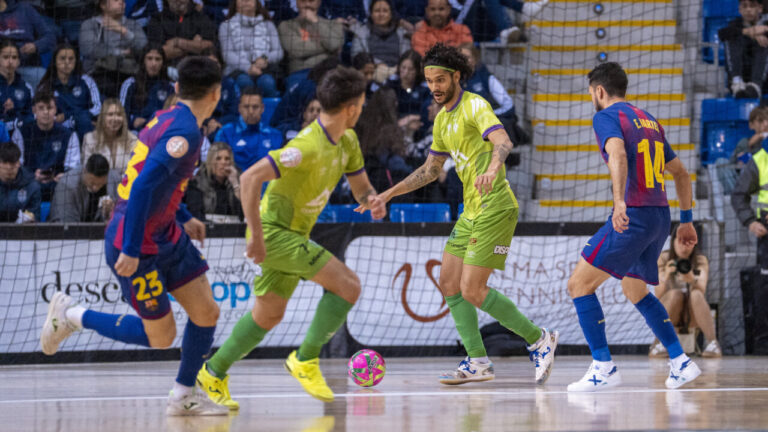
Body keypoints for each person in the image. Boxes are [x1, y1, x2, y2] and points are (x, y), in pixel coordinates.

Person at [360, 43, 559, 385]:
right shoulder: (442, 120)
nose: (435, 87)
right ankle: (477, 361)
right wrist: (387, 195)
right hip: (471, 211)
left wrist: (494, 166)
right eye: (429, 81)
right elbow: (427, 171)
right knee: (449, 283)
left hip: (496, 207)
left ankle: (539, 339)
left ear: (456, 76)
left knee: (472, 289)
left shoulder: (475, 105)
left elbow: (503, 141)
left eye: (440, 79)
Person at [40, 56, 228, 416]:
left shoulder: (167, 117)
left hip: (166, 232)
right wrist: (131, 249)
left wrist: (184, 215)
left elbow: (158, 181)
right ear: (217, 94)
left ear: (176, 88)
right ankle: (73, 316)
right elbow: (141, 187)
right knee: (161, 337)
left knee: (206, 311)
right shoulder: (187, 132)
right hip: (135, 238)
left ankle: (183, 394)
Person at [197, 66, 386, 408]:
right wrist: (255, 235)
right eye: (361, 102)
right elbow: (252, 178)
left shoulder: (348, 141)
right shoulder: (305, 146)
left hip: (294, 232)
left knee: (268, 314)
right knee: (349, 285)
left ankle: (212, 372)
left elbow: (361, 188)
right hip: (273, 233)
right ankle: (306, 358)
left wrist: (371, 199)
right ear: (352, 108)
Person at [565, 62, 701, 392]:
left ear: (598, 91)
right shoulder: (648, 120)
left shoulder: (605, 116)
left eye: (590, 93)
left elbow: (618, 155)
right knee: (634, 290)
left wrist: (619, 202)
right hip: (660, 217)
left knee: (578, 286)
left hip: (636, 214)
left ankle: (603, 366)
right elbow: (682, 174)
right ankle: (681, 362)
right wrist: (687, 220)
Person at [649, 225, 721, 358]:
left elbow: (702, 289)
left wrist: (691, 279)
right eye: (681, 241)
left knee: (696, 294)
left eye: (689, 243)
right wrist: (666, 275)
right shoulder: (664, 258)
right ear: (673, 241)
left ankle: (712, 343)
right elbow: (658, 294)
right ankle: (659, 343)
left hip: (691, 314)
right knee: (676, 294)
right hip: (669, 311)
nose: (684, 247)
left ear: (694, 244)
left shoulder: (700, 260)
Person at [731, 129, 768, 343]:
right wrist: (750, 221)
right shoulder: (759, 160)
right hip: (766, 233)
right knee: (765, 288)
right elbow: (738, 196)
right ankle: (763, 342)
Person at [13, 92, 81, 201]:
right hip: (29, 183)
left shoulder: (68, 135)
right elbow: (16, 165)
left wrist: (63, 177)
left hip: (58, 185)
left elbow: (73, 168)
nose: (46, 112)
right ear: (34, 110)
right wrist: (32, 176)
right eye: (41, 108)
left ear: (55, 110)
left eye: (49, 108)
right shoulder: (21, 133)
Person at [459, 43, 527, 145]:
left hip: (488, 125)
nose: (463, 61)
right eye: (460, 58)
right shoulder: (452, 81)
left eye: (467, 57)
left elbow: (509, 106)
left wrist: (489, 116)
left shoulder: (486, 78)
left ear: (475, 59)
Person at [79, 0, 148, 98]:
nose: (121, 3)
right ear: (103, 5)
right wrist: (120, 52)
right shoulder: (90, 24)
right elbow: (88, 49)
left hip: (129, 73)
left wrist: (124, 31)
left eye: (123, 1)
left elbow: (144, 47)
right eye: (116, 0)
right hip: (98, 74)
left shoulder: (133, 25)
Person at [36, 43, 102, 140]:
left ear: (76, 61)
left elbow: (97, 107)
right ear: (55, 61)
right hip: (58, 129)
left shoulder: (86, 81)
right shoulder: (45, 87)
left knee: (83, 120)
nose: (67, 62)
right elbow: (39, 113)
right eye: (62, 58)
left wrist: (71, 115)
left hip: (85, 126)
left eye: (71, 59)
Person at [355, 87, 413, 195]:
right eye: (395, 101)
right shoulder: (390, 131)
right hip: (385, 186)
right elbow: (395, 164)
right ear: (392, 104)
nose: (397, 104)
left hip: (365, 181)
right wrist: (412, 172)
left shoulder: (365, 127)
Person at [218, 0, 282, 96]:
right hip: (236, 70)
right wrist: (247, 67)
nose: (246, 1)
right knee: (244, 82)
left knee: (267, 83)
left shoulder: (269, 25)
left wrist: (264, 59)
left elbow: (278, 51)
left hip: (265, 69)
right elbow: (228, 54)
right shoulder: (225, 26)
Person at [278, 0, 345, 90]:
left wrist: (314, 21)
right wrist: (326, 48)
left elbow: (334, 44)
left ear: (319, 2)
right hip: (300, 73)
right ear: (297, 2)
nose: (307, 4)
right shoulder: (285, 26)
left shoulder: (333, 24)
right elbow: (297, 51)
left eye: (311, 1)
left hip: (329, 72)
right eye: (303, 1)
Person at [214, 87, 283, 172]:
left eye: (255, 107)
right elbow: (218, 167)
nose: (250, 111)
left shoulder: (275, 136)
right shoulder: (225, 133)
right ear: (239, 108)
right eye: (246, 107)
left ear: (262, 108)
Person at [49, 153, 121, 222]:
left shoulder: (115, 180)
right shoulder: (67, 184)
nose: (95, 188)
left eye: (100, 184)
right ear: (84, 171)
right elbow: (66, 223)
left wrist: (109, 215)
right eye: (92, 183)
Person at [0, 0, 56, 88]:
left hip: (27, 66)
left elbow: (50, 37)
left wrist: (35, 46)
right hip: (1, 68)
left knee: (42, 79)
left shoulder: (26, 9)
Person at [120, 44, 176, 132]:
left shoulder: (170, 87)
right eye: (149, 58)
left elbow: (174, 115)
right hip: (135, 133)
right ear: (143, 61)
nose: (154, 63)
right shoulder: (130, 83)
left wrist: (147, 121)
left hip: (161, 133)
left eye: (157, 59)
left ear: (163, 63)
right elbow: (122, 113)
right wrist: (132, 121)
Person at [719, 0, 768, 98]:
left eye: (752, 6)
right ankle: (736, 82)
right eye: (744, 6)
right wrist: (749, 32)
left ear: (760, 8)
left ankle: (756, 86)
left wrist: (765, 31)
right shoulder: (735, 24)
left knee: (764, 42)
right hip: (741, 78)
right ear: (740, 10)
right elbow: (722, 34)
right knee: (732, 37)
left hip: (764, 81)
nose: (748, 10)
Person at [349, 0, 411, 77]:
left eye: (385, 11)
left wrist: (395, 70)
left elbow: (408, 57)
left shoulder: (402, 33)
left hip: (399, 73)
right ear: (371, 14)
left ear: (391, 14)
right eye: (377, 11)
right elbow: (357, 57)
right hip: (372, 74)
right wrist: (378, 65)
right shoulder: (361, 32)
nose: (381, 14)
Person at [147, 0, 217, 67]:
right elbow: (161, 52)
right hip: (167, 69)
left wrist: (178, 42)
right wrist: (194, 46)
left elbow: (208, 46)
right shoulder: (157, 20)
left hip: (197, 68)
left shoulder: (201, 17)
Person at [184, 142, 242, 222]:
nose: (223, 162)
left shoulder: (238, 180)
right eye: (218, 158)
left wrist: (235, 184)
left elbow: (244, 213)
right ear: (210, 161)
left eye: (227, 159)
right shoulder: (197, 182)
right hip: (207, 229)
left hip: (236, 229)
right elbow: (195, 213)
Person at [82, 99, 137, 175]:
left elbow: (134, 170)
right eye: (110, 114)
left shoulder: (132, 139)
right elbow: (88, 170)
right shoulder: (90, 139)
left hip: (125, 184)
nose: (115, 119)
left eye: (119, 115)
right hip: (99, 184)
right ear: (102, 118)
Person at [200, 47, 240, 140]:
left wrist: (218, 122)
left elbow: (235, 113)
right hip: (202, 125)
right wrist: (208, 122)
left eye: (215, 63)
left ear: (221, 65)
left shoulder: (230, 84)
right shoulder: (195, 86)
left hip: (224, 124)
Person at [0, 141, 40, 222]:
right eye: (4, 162)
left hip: (21, 232)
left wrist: (31, 219)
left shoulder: (32, 186)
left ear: (19, 163)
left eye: (12, 163)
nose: (8, 167)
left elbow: (35, 216)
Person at [386, 50, 432, 119]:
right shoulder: (391, 83)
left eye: (411, 69)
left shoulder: (424, 89)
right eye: (403, 67)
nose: (406, 72)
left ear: (418, 71)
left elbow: (427, 113)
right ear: (399, 67)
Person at [0, 39, 33, 133]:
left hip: (19, 138)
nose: (10, 61)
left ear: (19, 61)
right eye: (6, 57)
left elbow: (30, 118)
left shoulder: (26, 88)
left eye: (14, 57)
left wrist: (14, 111)